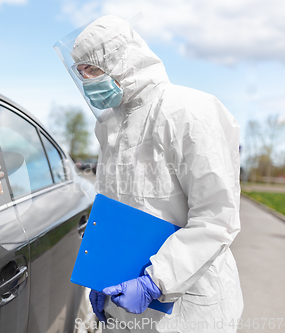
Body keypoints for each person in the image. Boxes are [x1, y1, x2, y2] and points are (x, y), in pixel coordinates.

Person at [55, 15, 243, 332]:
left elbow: (216, 217)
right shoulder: (109, 126)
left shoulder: (188, 110)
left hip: (188, 309)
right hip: (125, 307)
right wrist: (100, 278)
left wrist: (156, 282)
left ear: (121, 60)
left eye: (92, 68)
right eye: (80, 72)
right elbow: (113, 211)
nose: (87, 80)